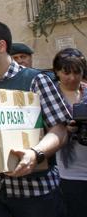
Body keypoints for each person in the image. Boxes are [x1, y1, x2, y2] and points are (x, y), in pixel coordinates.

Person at [0, 20, 71, 217]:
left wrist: (35, 154)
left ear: (1, 46)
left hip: (36, 193)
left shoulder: (36, 80)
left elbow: (59, 129)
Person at [52, 48, 87, 217]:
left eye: (77, 72)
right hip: (67, 174)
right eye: (66, 73)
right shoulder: (50, 96)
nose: (72, 78)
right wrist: (64, 129)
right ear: (57, 72)